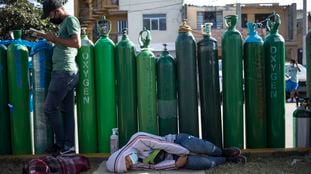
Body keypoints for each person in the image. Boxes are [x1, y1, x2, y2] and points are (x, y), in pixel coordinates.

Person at [38, 0, 81, 155]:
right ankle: (68, 147)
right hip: (65, 72)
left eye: (50, 15)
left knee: (49, 108)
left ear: (57, 10)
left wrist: (54, 39)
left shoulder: (70, 20)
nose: (50, 19)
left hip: (63, 72)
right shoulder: (64, 24)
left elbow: (77, 43)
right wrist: (49, 38)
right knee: (67, 112)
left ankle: (61, 144)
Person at [105, 132, 246, 173]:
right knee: (205, 163)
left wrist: (185, 152)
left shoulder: (137, 139)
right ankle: (226, 160)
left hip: (177, 143)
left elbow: (163, 144)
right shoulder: (135, 165)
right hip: (175, 158)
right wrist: (176, 165)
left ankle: (222, 151)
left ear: (122, 154)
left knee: (204, 148)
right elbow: (153, 167)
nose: (131, 164)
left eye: (127, 162)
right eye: (128, 168)